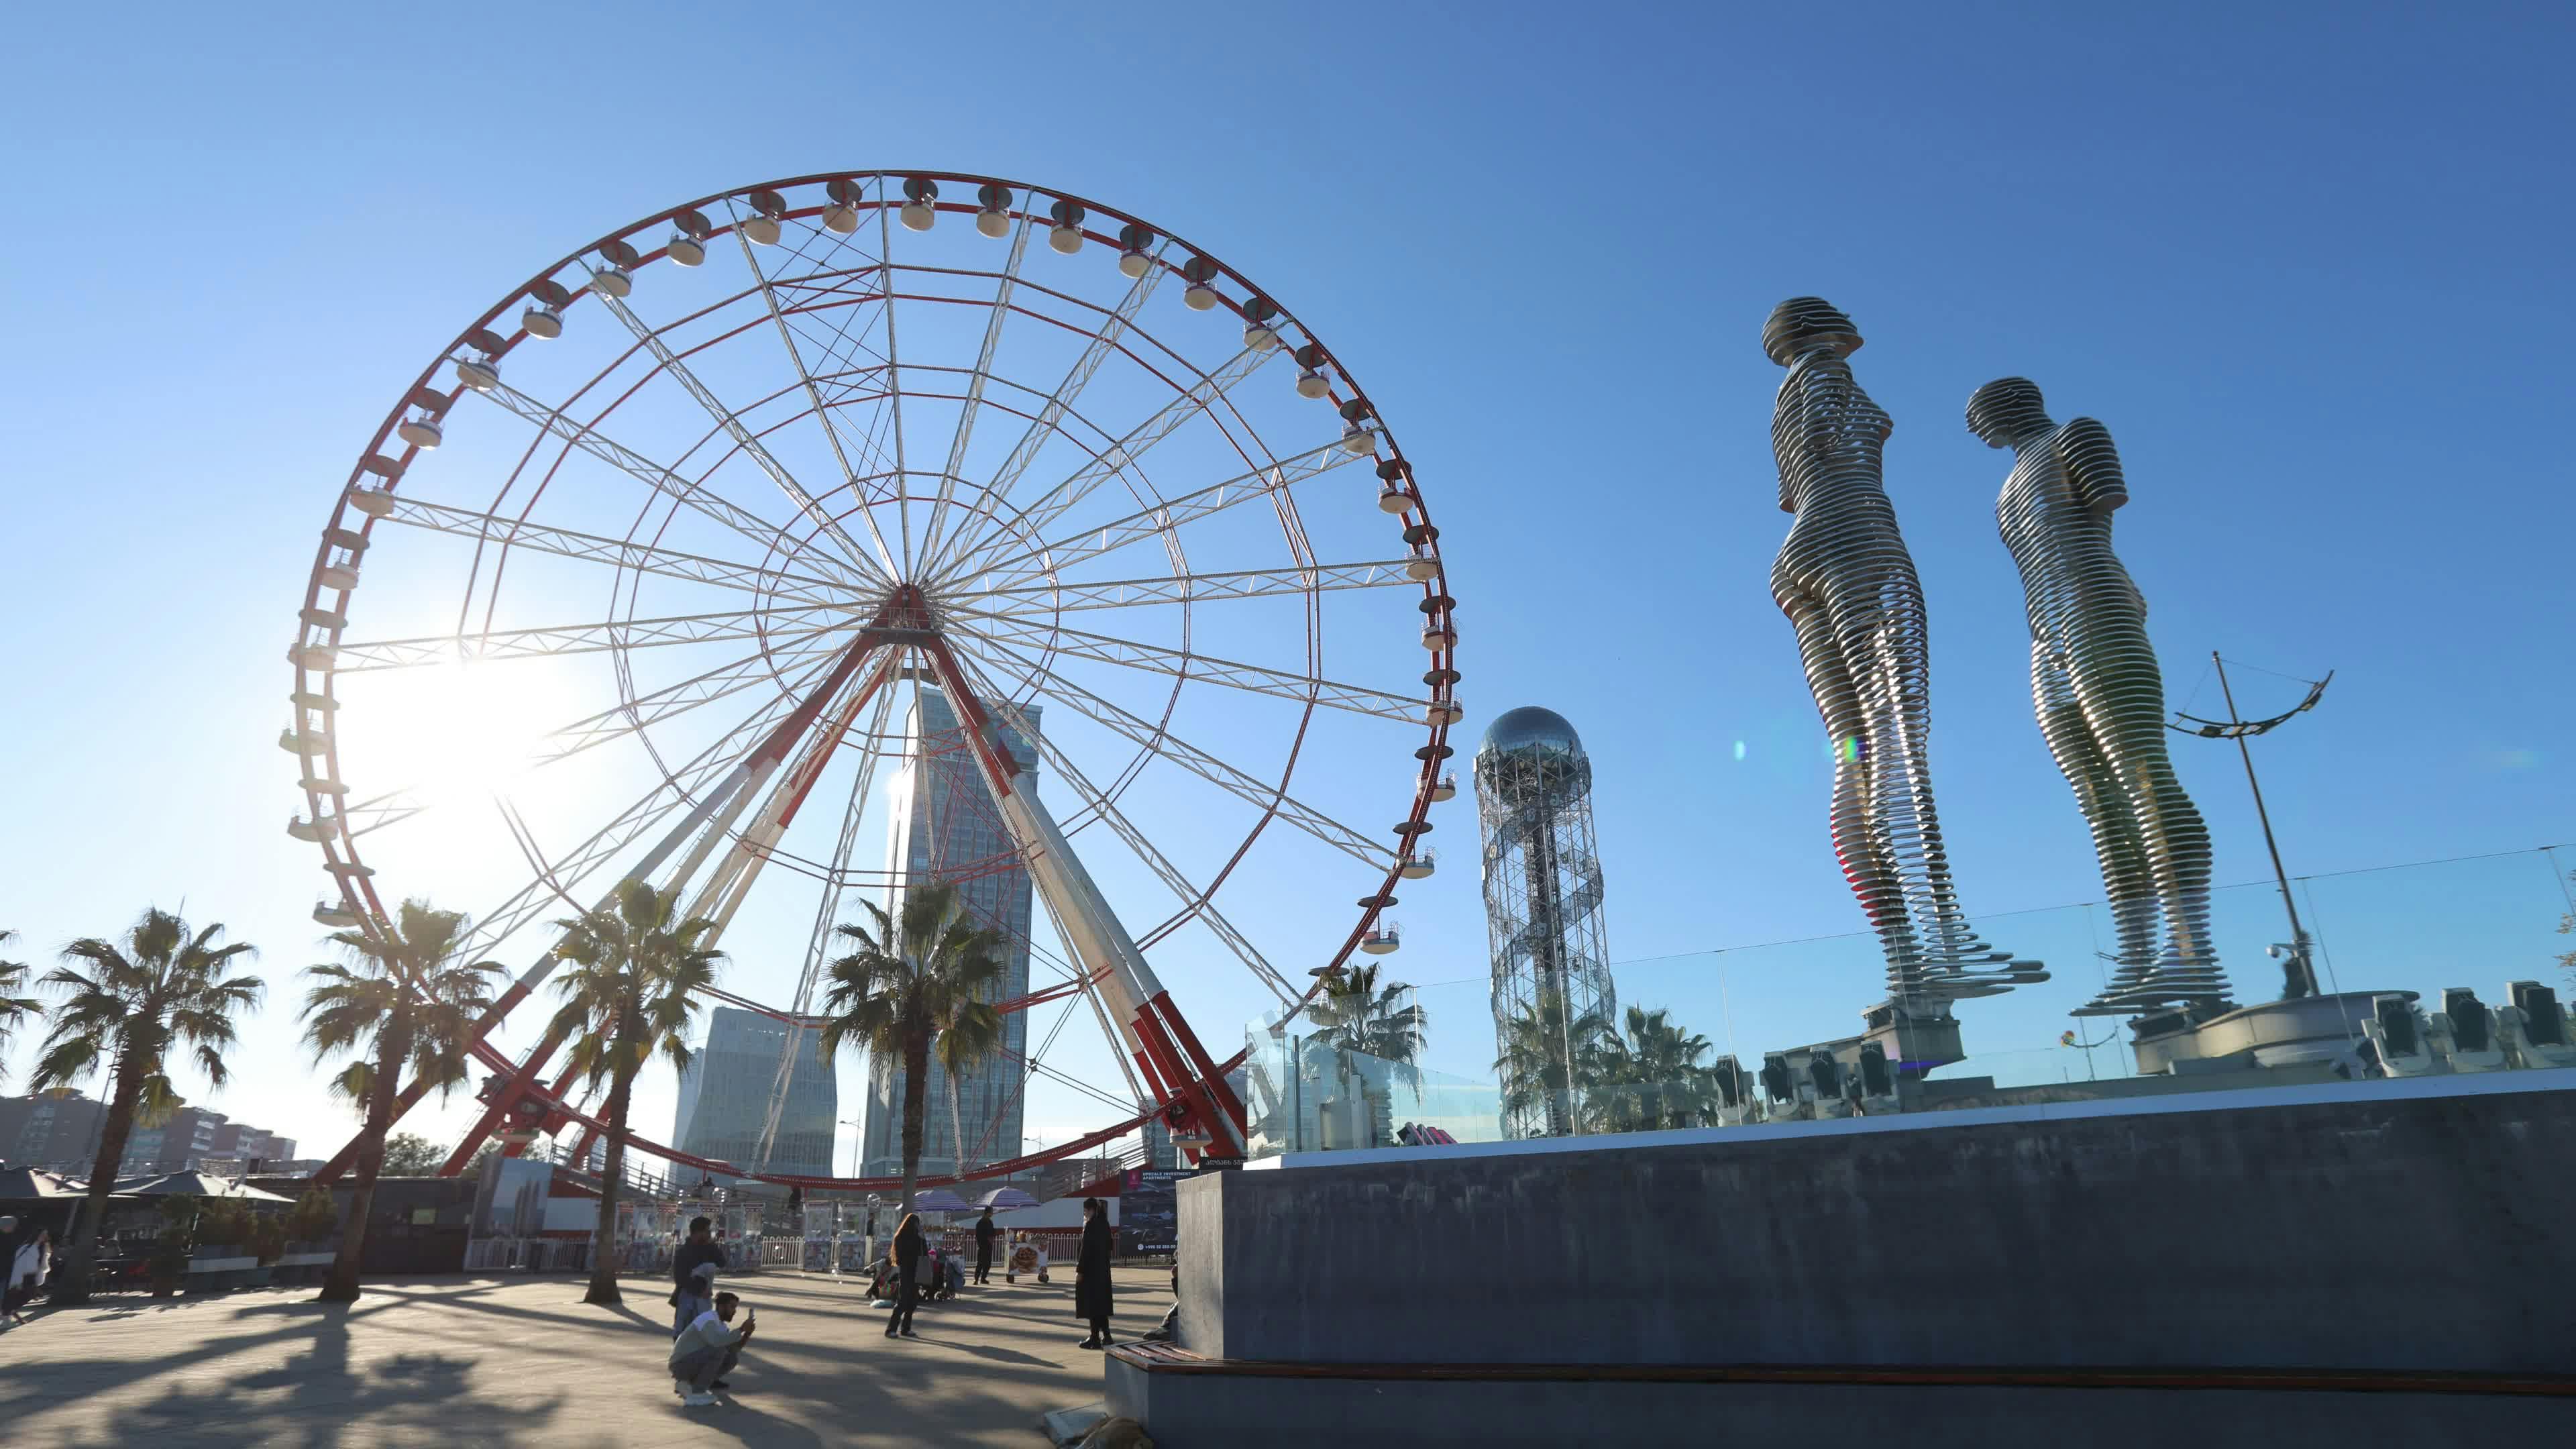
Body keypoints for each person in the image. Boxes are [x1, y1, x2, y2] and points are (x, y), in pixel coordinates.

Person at [667, 1290, 756, 1407]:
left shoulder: (722, 1326)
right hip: (680, 1364)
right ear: (721, 1307)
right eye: (732, 1307)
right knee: (718, 1351)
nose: (734, 1311)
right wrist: (740, 1329)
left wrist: (747, 1334)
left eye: (735, 1307)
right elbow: (716, 1342)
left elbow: (733, 1350)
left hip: (691, 1363)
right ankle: (697, 1393)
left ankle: (690, 1385)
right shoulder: (708, 1318)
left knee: (731, 1358)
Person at [670, 1216, 725, 1339]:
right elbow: (680, 1278)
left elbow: (722, 1263)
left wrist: (712, 1246)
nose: (709, 1234)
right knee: (684, 1334)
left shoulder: (709, 1250)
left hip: (704, 1303)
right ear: (698, 1233)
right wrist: (700, 1290)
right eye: (707, 1231)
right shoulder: (683, 1252)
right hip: (687, 1302)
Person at [1075, 1197, 1114, 1349]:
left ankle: (1094, 1338)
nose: (1084, 1214)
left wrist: (1080, 1271)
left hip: (1091, 1272)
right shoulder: (1105, 1224)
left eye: (1085, 1211)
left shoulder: (1090, 1225)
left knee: (1092, 1305)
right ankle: (1107, 1336)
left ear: (1091, 1210)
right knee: (1101, 1304)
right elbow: (1110, 1246)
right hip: (1103, 1271)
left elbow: (1085, 1251)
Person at [885, 1212, 924, 1338]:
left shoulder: (918, 1237)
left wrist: (922, 1238)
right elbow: (899, 1258)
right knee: (903, 1301)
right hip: (907, 1271)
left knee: (913, 1302)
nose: (918, 1226)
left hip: (915, 1271)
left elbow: (924, 1253)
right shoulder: (901, 1237)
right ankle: (891, 1329)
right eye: (917, 1224)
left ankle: (906, 1328)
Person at [973, 1206, 998, 1285]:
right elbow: (980, 1235)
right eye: (991, 1212)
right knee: (982, 1263)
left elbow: (992, 1232)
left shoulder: (988, 1222)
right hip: (984, 1245)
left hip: (986, 1245)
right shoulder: (982, 1222)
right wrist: (988, 1239)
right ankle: (978, 1279)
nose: (992, 1214)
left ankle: (981, 1279)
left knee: (985, 1263)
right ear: (988, 1213)